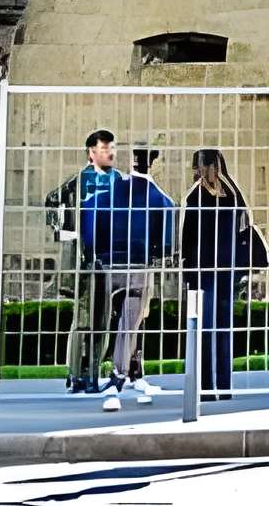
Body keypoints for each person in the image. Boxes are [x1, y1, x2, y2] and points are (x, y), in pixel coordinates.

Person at [45, 131, 177, 407]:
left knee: (125, 318)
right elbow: (52, 203)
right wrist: (69, 234)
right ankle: (81, 375)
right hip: (88, 258)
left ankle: (127, 371)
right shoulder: (80, 180)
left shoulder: (119, 180)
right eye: (105, 148)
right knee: (87, 318)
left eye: (112, 148)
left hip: (114, 258)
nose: (111, 153)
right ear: (91, 152)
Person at [180, 146, 265, 401]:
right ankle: (215, 386)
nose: (199, 172)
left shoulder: (199, 197)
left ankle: (213, 387)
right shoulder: (232, 195)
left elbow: (188, 238)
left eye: (200, 166)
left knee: (213, 328)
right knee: (215, 329)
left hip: (209, 270)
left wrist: (187, 269)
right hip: (222, 270)